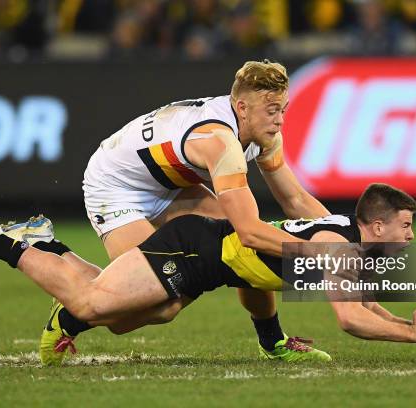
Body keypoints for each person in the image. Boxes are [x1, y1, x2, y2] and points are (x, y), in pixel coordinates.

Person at [0, 183, 416, 365]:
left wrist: (272, 339)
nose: (410, 235)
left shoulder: (345, 242)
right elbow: (350, 319)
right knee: (91, 304)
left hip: (211, 262)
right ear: (375, 224)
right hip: (195, 248)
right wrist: (414, 335)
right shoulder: (339, 247)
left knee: (135, 317)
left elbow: (348, 297)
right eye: (405, 225)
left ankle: (46, 245)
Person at [65, 59, 332, 362]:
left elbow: (295, 200)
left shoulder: (259, 131)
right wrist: (325, 254)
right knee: (160, 306)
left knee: (235, 249)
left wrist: (348, 241)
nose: (280, 121)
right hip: (116, 187)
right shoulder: (218, 141)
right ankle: (67, 301)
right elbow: (249, 232)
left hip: (170, 185)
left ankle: (272, 341)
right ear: (242, 108)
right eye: (272, 112)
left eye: (283, 110)